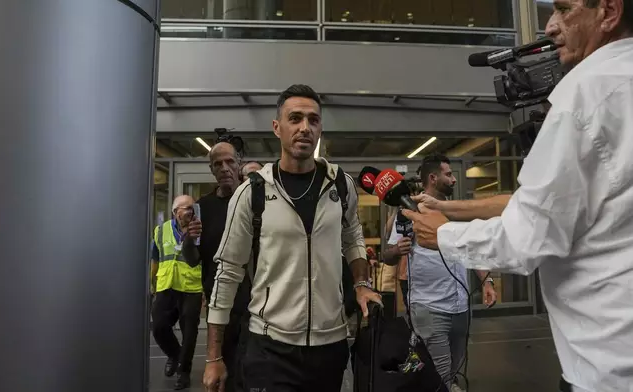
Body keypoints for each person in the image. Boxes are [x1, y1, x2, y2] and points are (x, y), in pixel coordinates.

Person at [403, 2, 633, 391]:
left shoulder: (587, 92)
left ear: (608, 12)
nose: (550, 25)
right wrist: (446, 209)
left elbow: (528, 235)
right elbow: (543, 202)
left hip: (607, 367)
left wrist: (443, 234)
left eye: (563, 9)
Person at [203, 84, 382, 392]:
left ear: (320, 128)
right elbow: (228, 272)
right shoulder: (252, 192)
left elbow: (352, 237)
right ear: (277, 127)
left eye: (313, 120)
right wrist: (213, 356)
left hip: (331, 344)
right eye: (295, 118)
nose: (304, 128)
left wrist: (362, 285)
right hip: (270, 346)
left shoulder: (341, 185)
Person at [383, 156, 496, 391]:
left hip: (460, 306)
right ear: (433, 178)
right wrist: (396, 250)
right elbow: (387, 256)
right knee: (441, 376)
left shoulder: (458, 212)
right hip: (429, 307)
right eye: (449, 174)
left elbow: (472, 250)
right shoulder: (409, 213)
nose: (454, 179)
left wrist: (487, 281)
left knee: (455, 369)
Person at [197, 141, 251, 392]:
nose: (224, 168)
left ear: (238, 164)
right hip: (220, 307)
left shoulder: (253, 202)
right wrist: (188, 240)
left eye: (230, 161)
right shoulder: (204, 208)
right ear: (211, 170)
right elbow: (192, 258)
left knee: (253, 374)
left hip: (255, 304)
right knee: (224, 377)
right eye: (217, 164)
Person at [150, 195, 203, 390]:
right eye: (186, 208)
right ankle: (174, 354)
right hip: (166, 286)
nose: (191, 211)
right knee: (159, 327)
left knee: (189, 333)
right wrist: (152, 283)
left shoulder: (201, 230)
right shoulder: (161, 230)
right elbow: (155, 258)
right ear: (175, 212)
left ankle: (184, 372)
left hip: (192, 288)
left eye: (193, 208)